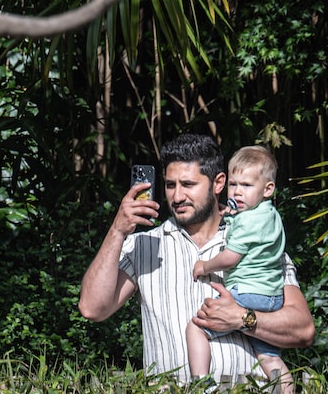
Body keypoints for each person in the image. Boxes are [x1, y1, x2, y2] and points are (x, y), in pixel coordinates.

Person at [79, 133, 315, 385]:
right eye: (171, 185)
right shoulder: (144, 245)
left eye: (188, 184)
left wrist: (241, 319)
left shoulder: (260, 240)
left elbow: (303, 330)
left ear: (218, 183)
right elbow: (92, 308)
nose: (177, 196)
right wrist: (117, 230)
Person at [185, 146, 289, 385]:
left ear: (268, 189)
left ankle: (201, 384)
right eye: (234, 185)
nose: (238, 192)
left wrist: (205, 266)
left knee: (196, 328)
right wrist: (231, 216)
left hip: (247, 292)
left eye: (246, 185)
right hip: (272, 297)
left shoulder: (247, 222)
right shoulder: (269, 214)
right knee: (269, 357)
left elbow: (231, 257)